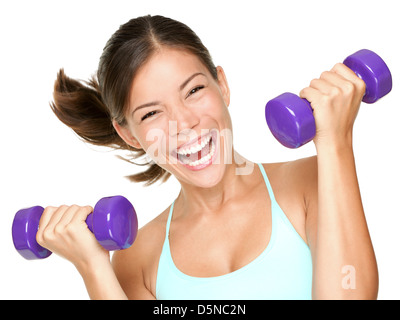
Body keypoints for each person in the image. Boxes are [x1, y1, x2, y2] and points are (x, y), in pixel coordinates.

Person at [37, 15, 378, 299]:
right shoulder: (138, 257)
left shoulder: (312, 183)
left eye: (194, 90)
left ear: (222, 85)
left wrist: (335, 142)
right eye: (151, 113)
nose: (184, 123)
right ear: (128, 133)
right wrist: (93, 267)